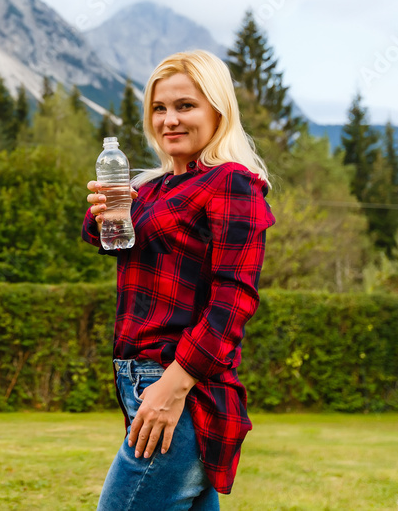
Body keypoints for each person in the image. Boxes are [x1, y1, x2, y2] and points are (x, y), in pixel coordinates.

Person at [83, 50, 276, 510]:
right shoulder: (150, 188)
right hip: (139, 381)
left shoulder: (231, 182)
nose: (170, 119)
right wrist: (105, 212)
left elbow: (233, 301)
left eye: (185, 106)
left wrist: (173, 386)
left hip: (180, 385)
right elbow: (112, 241)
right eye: (159, 108)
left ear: (218, 110)